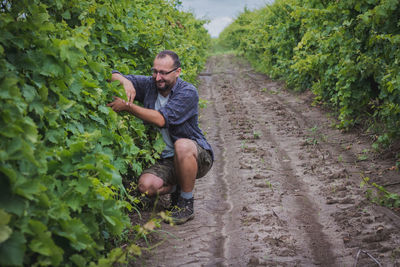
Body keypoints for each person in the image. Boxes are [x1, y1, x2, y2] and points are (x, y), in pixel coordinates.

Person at [107, 50, 214, 224]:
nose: (158, 78)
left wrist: (128, 106)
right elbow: (111, 74)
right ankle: (178, 186)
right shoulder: (150, 84)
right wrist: (125, 81)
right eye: (155, 71)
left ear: (177, 72)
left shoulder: (188, 92)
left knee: (182, 145)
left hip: (196, 155)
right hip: (166, 160)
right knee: (145, 187)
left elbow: (161, 120)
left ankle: (185, 203)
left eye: (163, 73)